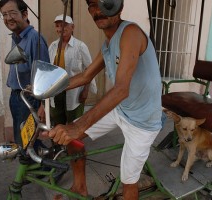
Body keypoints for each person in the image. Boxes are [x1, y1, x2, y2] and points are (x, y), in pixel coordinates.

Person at [44, 0, 162, 199]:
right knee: (72, 140)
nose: (97, 10)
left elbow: (121, 89)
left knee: (129, 181)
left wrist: (79, 126)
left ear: (119, 6)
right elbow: (85, 76)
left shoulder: (130, 33)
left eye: (104, 2)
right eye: (92, 4)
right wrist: (48, 88)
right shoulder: (108, 42)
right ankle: (80, 186)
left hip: (143, 121)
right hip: (121, 110)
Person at [0, 0, 50, 147]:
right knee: (23, 139)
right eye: (4, 14)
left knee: (27, 141)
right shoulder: (16, 37)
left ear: (25, 14)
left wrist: (42, 106)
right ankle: (33, 166)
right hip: (16, 96)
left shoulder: (35, 38)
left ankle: (45, 166)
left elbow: (44, 74)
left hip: (29, 99)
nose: (8, 18)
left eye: (12, 13)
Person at [48, 14, 97, 126]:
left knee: (74, 123)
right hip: (56, 92)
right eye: (57, 26)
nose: (60, 29)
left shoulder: (80, 46)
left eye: (64, 25)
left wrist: (86, 90)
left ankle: (73, 143)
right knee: (57, 122)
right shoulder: (53, 46)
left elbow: (90, 69)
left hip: (75, 92)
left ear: (72, 27)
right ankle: (58, 144)